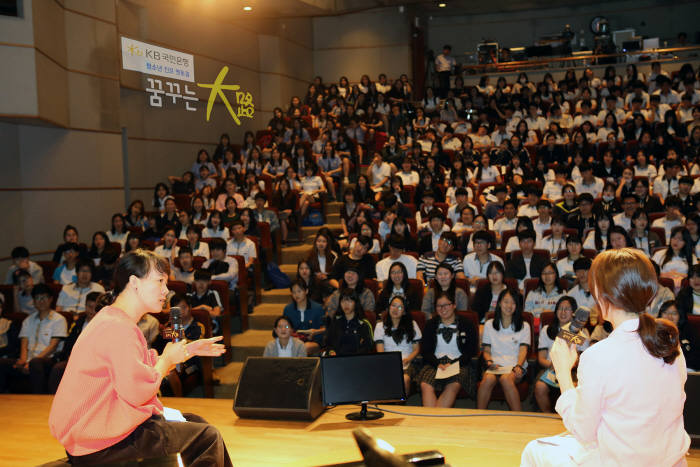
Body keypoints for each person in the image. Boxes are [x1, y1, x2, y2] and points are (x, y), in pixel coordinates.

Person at [48, 249, 230, 465]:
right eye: (160, 281)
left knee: (196, 423)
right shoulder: (118, 327)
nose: (166, 290)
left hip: (99, 429)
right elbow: (137, 391)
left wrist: (187, 350)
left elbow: (137, 368)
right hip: (101, 441)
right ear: (134, 282)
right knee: (206, 438)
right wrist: (167, 360)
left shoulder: (112, 319)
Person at [521, 248, 689, 466]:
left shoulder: (598, 356)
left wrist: (562, 371)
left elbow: (583, 431)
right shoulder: (669, 344)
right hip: (671, 460)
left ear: (600, 293)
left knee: (534, 451)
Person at [0, 284, 67, 394]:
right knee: (2, 363)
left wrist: (29, 363)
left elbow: (53, 346)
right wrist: (23, 360)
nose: (41, 301)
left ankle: (39, 399)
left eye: (44, 297)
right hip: (29, 359)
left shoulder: (59, 320)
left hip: (47, 360)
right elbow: (24, 343)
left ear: (51, 299)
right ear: (33, 301)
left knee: (35, 363)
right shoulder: (28, 320)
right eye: (37, 298)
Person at [417, 291, 477, 408]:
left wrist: (454, 364)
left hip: (459, 364)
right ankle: (434, 420)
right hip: (435, 363)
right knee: (425, 385)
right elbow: (426, 351)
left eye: (446, 305)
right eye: (439, 306)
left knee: (453, 385)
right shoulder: (431, 324)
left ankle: (435, 420)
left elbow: (470, 351)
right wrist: (438, 364)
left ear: (454, 305)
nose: (442, 309)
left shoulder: (466, 324)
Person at [477, 288, 531, 411]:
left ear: (517, 306)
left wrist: (518, 366)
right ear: (499, 303)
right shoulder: (489, 324)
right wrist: (489, 362)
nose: (509, 305)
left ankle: (518, 418)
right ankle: (479, 416)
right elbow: (486, 350)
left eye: (513, 302)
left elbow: (523, 350)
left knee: (506, 379)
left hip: (515, 366)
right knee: (487, 380)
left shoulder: (524, 326)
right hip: (495, 365)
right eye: (506, 302)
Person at [534, 296, 590, 413]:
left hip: (572, 370)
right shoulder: (546, 329)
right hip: (550, 368)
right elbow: (541, 358)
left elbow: (582, 360)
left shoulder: (583, 333)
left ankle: (570, 417)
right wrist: (553, 365)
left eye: (567, 309)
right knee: (540, 387)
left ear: (574, 313)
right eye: (560, 308)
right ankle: (548, 417)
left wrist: (565, 365)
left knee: (574, 387)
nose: (563, 312)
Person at [48, 291, 102, 393]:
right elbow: (69, 343)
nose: (92, 310)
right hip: (74, 359)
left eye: (95, 307)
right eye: (89, 306)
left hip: (95, 361)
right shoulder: (78, 323)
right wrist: (69, 356)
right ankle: (53, 400)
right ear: (85, 306)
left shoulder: (105, 323)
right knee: (58, 369)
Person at [374, 295, 421, 395]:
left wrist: (408, 359)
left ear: (404, 311)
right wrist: (390, 362)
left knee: (404, 380)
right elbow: (380, 352)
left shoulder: (412, 325)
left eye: (400, 307)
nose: (395, 309)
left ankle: (400, 406)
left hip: (407, 362)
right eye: (393, 305)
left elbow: (416, 349)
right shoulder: (380, 326)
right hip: (387, 362)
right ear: (388, 308)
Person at [324, 288, 374, 356]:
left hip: (357, 360)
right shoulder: (336, 322)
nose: (346, 304)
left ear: (355, 303)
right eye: (343, 301)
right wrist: (331, 352)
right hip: (337, 360)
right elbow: (328, 343)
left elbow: (368, 347)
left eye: (350, 301)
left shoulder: (363, 324)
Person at [283, 280, 325, 355]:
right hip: (294, 341)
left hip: (314, 342)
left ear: (306, 291)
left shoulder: (317, 308)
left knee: (304, 347)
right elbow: (285, 326)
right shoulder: (288, 309)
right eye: (294, 292)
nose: (296, 295)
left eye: (299, 291)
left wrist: (315, 332)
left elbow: (326, 328)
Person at [658, 300, 699, 371]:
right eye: (665, 312)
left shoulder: (689, 330)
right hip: (660, 369)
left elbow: (696, 355)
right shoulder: (654, 331)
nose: (669, 317)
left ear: (680, 315)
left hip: (686, 369)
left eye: (674, 313)